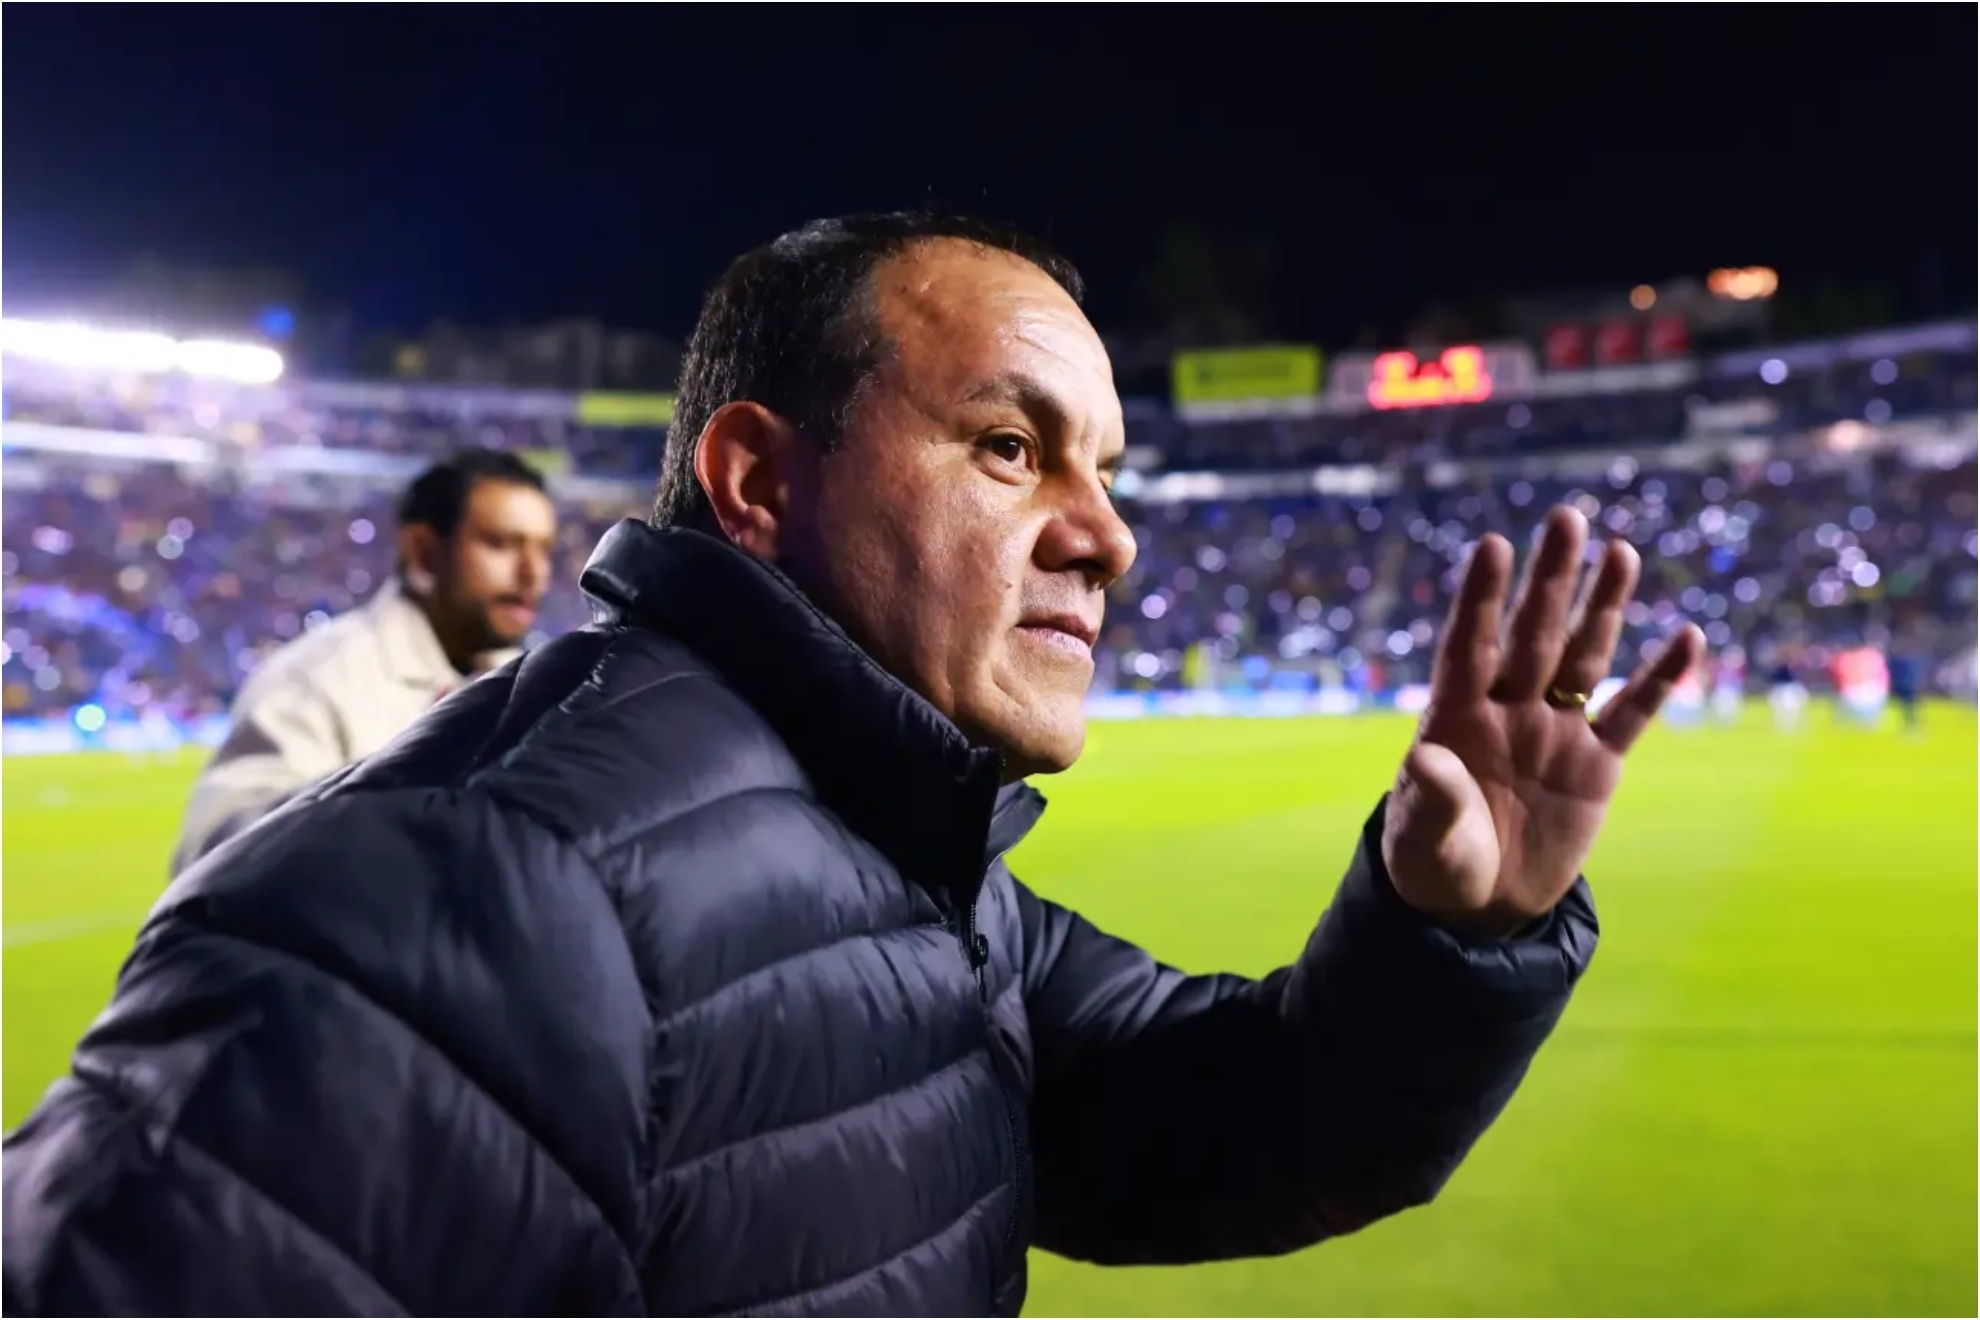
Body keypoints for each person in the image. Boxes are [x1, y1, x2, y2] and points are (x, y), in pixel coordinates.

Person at [2, 214, 1701, 1317]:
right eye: (1013, 447)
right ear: (758, 480)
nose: (1104, 537)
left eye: (1106, 472)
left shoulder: (903, 860)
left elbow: (1257, 1120)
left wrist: (1450, 927)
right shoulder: (461, 903)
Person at [167, 449, 556, 877]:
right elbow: (210, 859)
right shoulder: (316, 678)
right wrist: (411, 787)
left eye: (544, 549)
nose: (533, 573)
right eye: (500, 544)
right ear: (423, 552)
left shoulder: (532, 688)